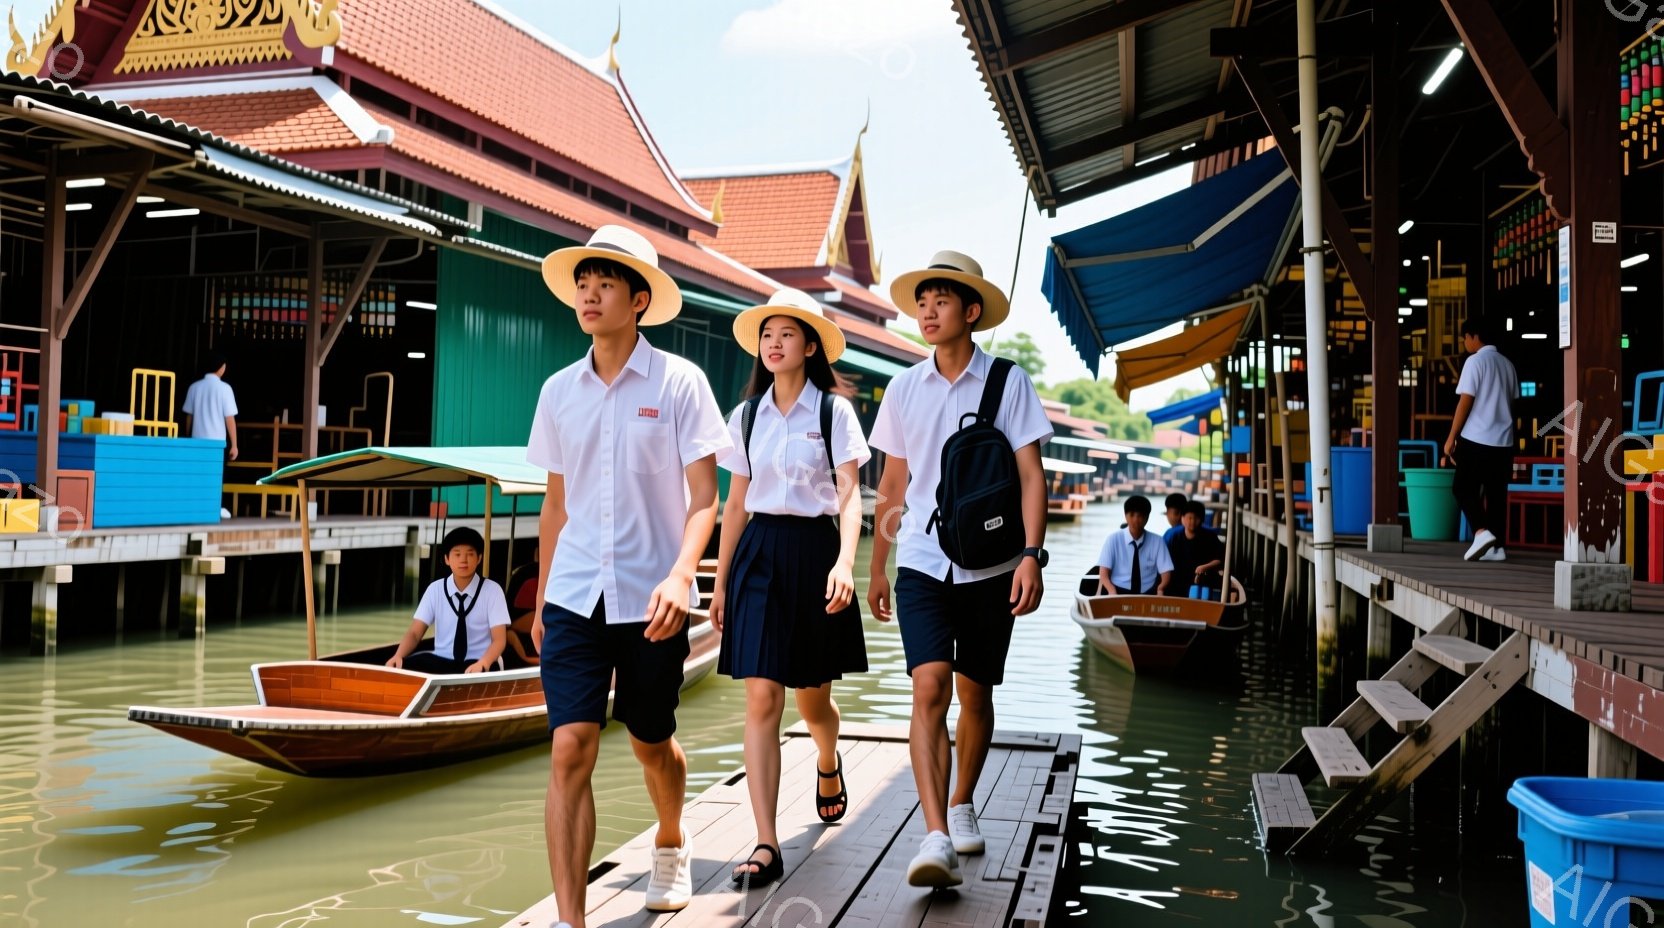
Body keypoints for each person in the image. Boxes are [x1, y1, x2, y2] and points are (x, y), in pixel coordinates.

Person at [525, 225, 730, 928]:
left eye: (606, 282)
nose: (589, 292)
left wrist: (682, 576)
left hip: (655, 601)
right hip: (575, 597)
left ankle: (671, 836)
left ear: (639, 299)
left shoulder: (681, 383)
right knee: (569, 748)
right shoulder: (557, 391)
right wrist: (543, 597)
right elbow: (556, 505)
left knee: (650, 739)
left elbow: (706, 500)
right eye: (584, 280)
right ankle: (572, 921)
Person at [867, 250, 1052, 890]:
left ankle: (964, 798)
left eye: (940, 301)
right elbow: (893, 484)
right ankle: (936, 831)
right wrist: (877, 565)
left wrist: (1031, 554)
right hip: (921, 558)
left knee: (976, 692)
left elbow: (1031, 475)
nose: (927, 311)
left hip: (994, 563)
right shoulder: (902, 388)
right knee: (929, 687)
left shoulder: (1008, 382)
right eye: (922, 302)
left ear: (970, 311)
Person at [711, 288, 870, 888]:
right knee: (761, 700)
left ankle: (827, 760)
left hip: (814, 552)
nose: (774, 344)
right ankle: (766, 842)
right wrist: (721, 582)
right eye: (766, 335)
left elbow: (851, 494)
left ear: (809, 346)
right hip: (757, 555)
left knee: (811, 699)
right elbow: (733, 506)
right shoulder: (745, 416)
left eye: (786, 335)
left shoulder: (833, 412)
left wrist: (846, 563)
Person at [386, 527, 510, 674]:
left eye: (470, 554)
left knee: (482, 671)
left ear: (479, 558)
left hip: (480, 661)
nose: (463, 560)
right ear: (447, 559)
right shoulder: (435, 589)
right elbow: (414, 633)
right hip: (441, 660)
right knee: (403, 666)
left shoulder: (493, 590)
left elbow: (499, 640)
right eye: (457, 554)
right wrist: (398, 655)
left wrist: (484, 662)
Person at [1444, 317, 1518, 563]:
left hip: (1476, 438)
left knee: (1462, 487)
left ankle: (1481, 531)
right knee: (1496, 495)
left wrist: (1452, 436)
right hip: (1504, 441)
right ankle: (1497, 548)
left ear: (1475, 336)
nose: (1465, 342)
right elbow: (1512, 401)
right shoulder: (1508, 365)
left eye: (1465, 337)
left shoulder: (1474, 362)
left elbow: (1466, 401)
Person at [182, 352, 238, 518]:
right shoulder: (225, 389)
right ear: (221, 367)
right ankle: (215, 508)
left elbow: (188, 417)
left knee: (197, 475)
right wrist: (234, 444)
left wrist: (188, 436)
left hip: (197, 440)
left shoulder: (194, 387)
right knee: (215, 476)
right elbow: (230, 419)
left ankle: (195, 506)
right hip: (217, 442)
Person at [1097, 495, 1173, 596]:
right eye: (1132, 515)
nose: (1136, 520)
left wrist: (1161, 588)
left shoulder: (1158, 541)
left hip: (1148, 593)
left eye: (1140, 516)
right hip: (1118, 591)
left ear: (1147, 517)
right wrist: (1111, 590)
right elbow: (1103, 573)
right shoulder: (1113, 539)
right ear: (1125, 515)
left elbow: (1166, 571)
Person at [1166, 500, 1224, 597]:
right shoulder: (1175, 538)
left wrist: (1205, 567)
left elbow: (1220, 559)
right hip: (1178, 584)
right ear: (1183, 519)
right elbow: (1167, 563)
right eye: (1189, 518)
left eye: (1196, 518)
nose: (1192, 521)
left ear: (1202, 519)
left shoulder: (1210, 537)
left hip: (1203, 583)